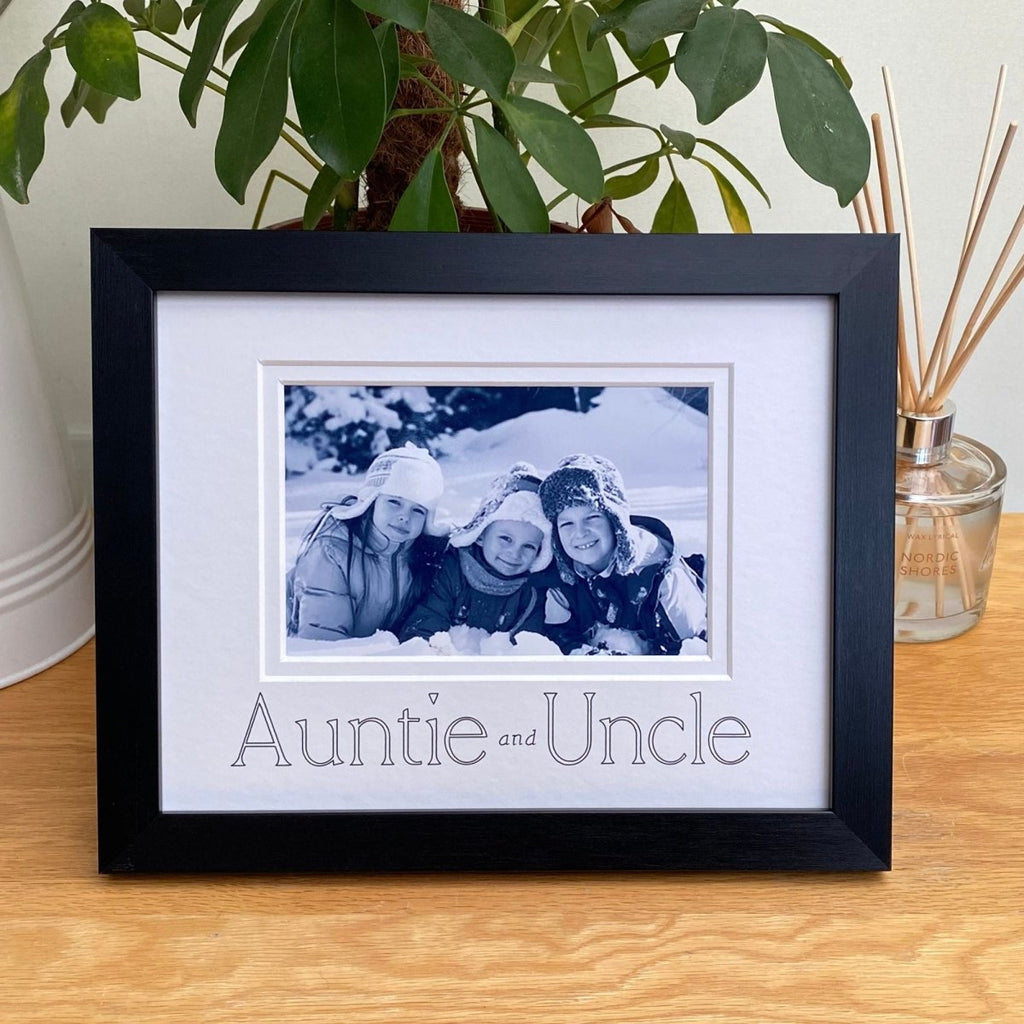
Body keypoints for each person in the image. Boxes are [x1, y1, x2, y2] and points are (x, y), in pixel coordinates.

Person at [538, 454, 706, 655]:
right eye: (566, 523)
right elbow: (557, 635)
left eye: (592, 518)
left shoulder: (660, 577)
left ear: (615, 521)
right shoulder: (562, 575)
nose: (580, 533)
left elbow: (691, 649)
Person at [286, 443, 446, 641]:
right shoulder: (332, 551)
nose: (405, 516)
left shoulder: (422, 555)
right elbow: (322, 639)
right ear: (371, 500)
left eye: (418, 510)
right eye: (394, 502)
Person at [400, 462, 552, 643]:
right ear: (480, 535)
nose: (514, 553)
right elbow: (427, 619)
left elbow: (529, 645)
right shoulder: (453, 570)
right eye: (505, 539)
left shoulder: (532, 591)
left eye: (529, 546)